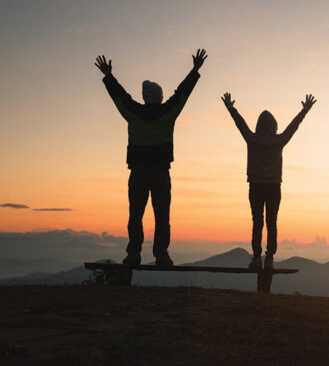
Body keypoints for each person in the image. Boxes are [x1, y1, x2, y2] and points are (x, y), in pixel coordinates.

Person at [94, 49, 207, 267]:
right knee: (162, 216)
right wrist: (195, 70)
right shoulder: (169, 112)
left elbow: (120, 96)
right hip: (160, 172)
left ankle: (133, 254)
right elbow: (183, 93)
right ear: (160, 97)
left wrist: (108, 76)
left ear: (145, 98)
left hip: (137, 172)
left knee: (135, 215)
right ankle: (161, 255)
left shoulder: (132, 112)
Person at [221, 92, 316, 269]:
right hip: (274, 187)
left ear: (259, 125)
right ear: (274, 126)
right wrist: (304, 110)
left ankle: (256, 258)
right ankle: (270, 258)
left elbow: (239, 124)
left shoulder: (252, 139)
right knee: (272, 222)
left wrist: (230, 107)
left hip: (255, 186)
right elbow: (293, 127)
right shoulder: (279, 140)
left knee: (257, 221)